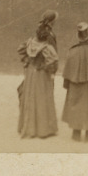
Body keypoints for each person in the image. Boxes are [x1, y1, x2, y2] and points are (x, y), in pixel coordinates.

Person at [16, 9, 59, 139]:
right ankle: (42, 129)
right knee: (42, 97)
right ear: (51, 22)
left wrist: (28, 62)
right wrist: (51, 70)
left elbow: (24, 51)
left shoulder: (34, 37)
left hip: (31, 72)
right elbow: (53, 56)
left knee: (30, 96)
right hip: (42, 72)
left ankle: (29, 126)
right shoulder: (49, 36)